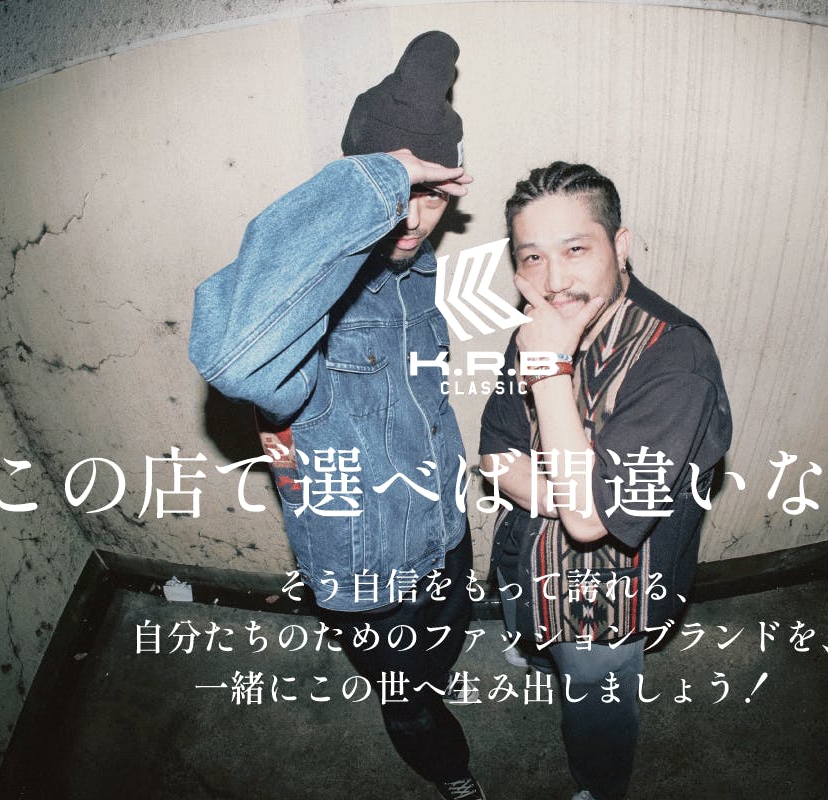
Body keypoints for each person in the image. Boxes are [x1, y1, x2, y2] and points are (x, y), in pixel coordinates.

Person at [188, 32, 484, 800]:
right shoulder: (304, 295)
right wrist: (386, 178)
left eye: (431, 195)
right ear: (363, 183)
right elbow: (234, 357)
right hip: (367, 571)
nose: (413, 218)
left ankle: (432, 677)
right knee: (409, 701)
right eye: (399, 191)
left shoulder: (417, 272)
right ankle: (449, 770)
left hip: (443, 536)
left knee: (440, 652)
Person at [479, 162, 732, 800]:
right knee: (530, 628)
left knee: (598, 704)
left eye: (575, 250)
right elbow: (495, 454)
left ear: (620, 246)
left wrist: (548, 370)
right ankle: (537, 648)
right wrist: (562, 498)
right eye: (532, 257)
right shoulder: (539, 325)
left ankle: (601, 785)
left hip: (614, 594)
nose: (553, 281)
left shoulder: (676, 358)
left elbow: (592, 519)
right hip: (527, 552)